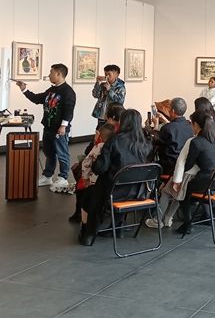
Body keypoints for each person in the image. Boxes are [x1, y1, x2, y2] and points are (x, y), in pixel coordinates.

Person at [79, 109, 151, 245]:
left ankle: (89, 233)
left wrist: (94, 163)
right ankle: (117, 227)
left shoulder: (115, 141)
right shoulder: (145, 142)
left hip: (114, 192)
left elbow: (100, 168)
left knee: (89, 195)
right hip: (138, 191)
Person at [16, 63, 76, 189]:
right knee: (49, 153)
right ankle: (47, 176)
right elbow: (37, 99)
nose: (49, 75)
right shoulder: (51, 90)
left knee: (62, 153)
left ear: (58, 73)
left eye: (51, 72)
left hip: (59, 129)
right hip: (48, 127)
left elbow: (68, 110)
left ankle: (63, 177)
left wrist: (63, 126)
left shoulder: (68, 91)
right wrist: (24, 89)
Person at [176, 111, 215, 234]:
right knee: (203, 187)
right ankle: (208, 216)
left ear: (195, 124)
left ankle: (188, 224)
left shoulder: (196, 141)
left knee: (183, 189)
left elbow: (188, 165)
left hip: (206, 181)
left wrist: (178, 179)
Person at [70, 124, 116, 224]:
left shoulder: (98, 147)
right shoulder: (116, 147)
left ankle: (85, 223)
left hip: (95, 181)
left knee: (86, 198)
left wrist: (85, 177)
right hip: (113, 183)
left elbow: (86, 162)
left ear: (100, 137)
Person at [147, 97, 194, 177]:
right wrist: (165, 120)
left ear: (172, 111)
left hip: (167, 166)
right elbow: (176, 127)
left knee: (146, 168)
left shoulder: (168, 128)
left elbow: (154, 140)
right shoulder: (189, 126)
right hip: (183, 166)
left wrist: (155, 124)